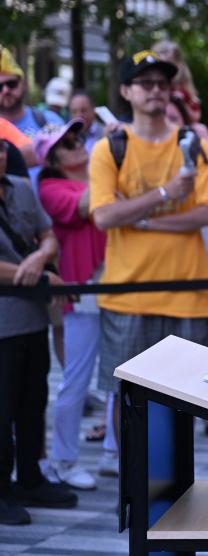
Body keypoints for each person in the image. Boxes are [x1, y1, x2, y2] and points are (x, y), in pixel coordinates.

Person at [89, 49, 208, 474]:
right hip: (127, 293)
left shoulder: (192, 142)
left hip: (188, 294)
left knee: (184, 402)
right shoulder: (109, 147)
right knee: (126, 395)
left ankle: (175, 484)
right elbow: (104, 215)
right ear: (126, 92)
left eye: (163, 84)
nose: (156, 92)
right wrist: (165, 194)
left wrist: (143, 221)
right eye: (145, 84)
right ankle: (132, 479)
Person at [0, 140, 78, 525]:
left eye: (0, 150)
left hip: (31, 317)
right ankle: (1, 490)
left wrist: (40, 255)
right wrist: (34, 275)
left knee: (33, 400)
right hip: (2, 321)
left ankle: (30, 476)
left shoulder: (21, 188)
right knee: (2, 409)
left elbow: (47, 234)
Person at [34, 121, 107, 490]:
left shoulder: (97, 173)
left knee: (120, 374)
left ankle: (114, 451)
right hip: (79, 292)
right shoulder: (49, 188)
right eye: (67, 143)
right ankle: (64, 460)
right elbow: (87, 203)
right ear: (52, 158)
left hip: (114, 283)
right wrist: (104, 162)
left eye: (78, 138)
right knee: (75, 380)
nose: (79, 144)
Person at [0, 47, 63, 138]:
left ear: (24, 84)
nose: (5, 90)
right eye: (0, 87)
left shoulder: (50, 121)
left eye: (11, 84)